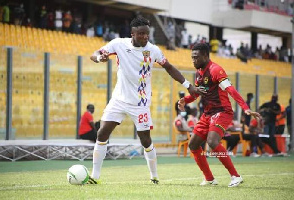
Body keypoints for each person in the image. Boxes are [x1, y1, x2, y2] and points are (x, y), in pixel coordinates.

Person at [88, 16, 197, 185]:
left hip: (140, 103)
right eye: (141, 34)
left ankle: (154, 176)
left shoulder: (153, 50)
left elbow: (169, 68)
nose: (145, 37)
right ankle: (94, 177)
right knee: (102, 133)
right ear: (132, 34)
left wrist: (188, 85)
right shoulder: (118, 44)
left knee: (145, 140)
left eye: (147, 33)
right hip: (118, 99)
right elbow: (94, 54)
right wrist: (99, 58)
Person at [178, 42, 261, 187]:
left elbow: (231, 90)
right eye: (192, 58)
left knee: (212, 142)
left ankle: (235, 176)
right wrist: (185, 100)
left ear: (205, 55)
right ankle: (210, 179)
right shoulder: (199, 73)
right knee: (193, 144)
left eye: (196, 57)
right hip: (208, 113)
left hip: (222, 112)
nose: (193, 61)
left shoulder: (216, 70)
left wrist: (245, 107)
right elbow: (197, 93)